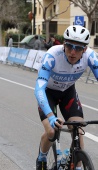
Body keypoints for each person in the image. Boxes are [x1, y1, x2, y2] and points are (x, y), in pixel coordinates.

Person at [34, 25, 98, 170]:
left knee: (78, 128)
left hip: (67, 92)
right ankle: (42, 156)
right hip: (48, 93)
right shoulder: (52, 56)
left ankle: (77, 164)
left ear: (85, 49)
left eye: (78, 48)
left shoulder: (91, 56)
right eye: (69, 46)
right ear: (64, 45)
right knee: (51, 130)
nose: (73, 52)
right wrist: (50, 116)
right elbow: (39, 88)